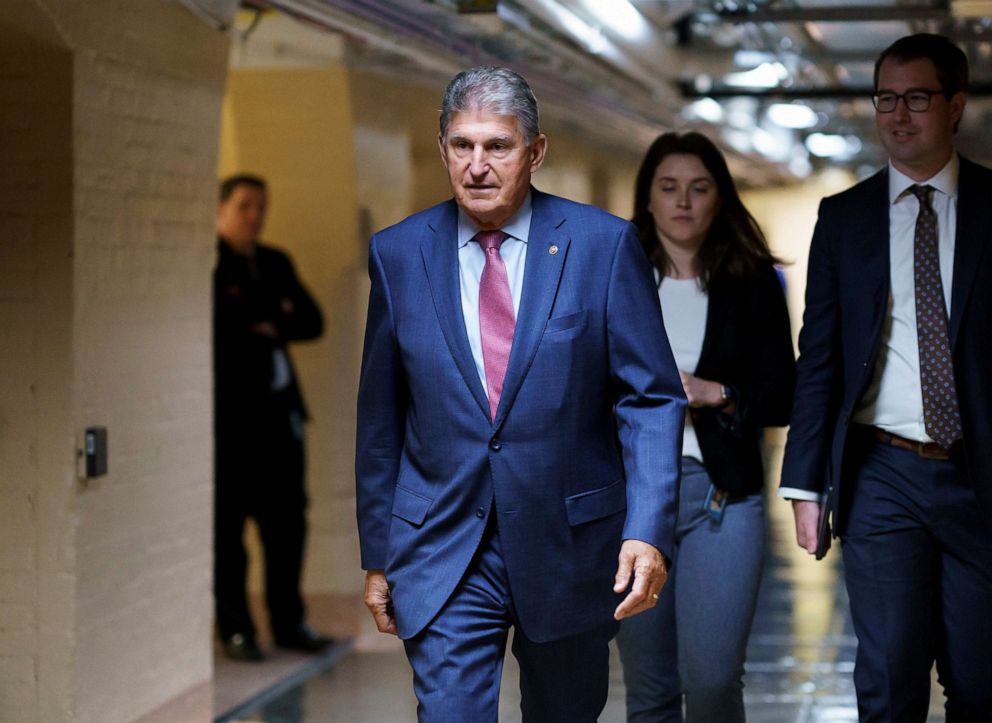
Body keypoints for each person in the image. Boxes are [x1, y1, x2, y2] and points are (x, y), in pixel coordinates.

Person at [355, 66, 686, 721]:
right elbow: (380, 419)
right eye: (462, 145)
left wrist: (647, 529)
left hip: (569, 546)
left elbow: (649, 399)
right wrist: (378, 554)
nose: (477, 165)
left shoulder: (601, 245)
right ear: (444, 147)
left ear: (535, 152)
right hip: (444, 547)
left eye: (497, 146)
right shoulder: (397, 255)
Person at [780, 33, 992, 721]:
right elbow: (821, 358)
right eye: (886, 99)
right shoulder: (845, 219)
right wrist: (805, 482)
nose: (899, 115)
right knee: (890, 677)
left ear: (955, 105)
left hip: (982, 475)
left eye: (917, 99)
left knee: (982, 681)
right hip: (883, 474)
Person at [615, 132, 795, 722]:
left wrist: (716, 393)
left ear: (720, 197)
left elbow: (783, 393)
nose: (683, 202)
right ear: (648, 198)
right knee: (651, 692)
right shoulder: (613, 276)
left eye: (699, 188)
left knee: (714, 681)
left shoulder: (753, 282)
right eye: (669, 188)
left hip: (724, 498)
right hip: (633, 505)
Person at [213, 174, 331, 661]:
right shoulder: (213, 263)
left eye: (260, 206)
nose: (254, 216)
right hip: (233, 425)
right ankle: (237, 628)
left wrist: (269, 319)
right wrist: (267, 317)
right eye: (244, 207)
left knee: (287, 528)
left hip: (282, 422)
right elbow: (228, 325)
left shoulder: (274, 261)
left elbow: (311, 320)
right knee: (229, 532)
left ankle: (288, 623)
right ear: (222, 210)